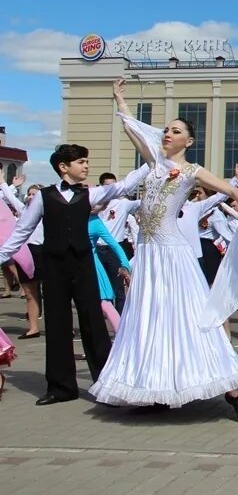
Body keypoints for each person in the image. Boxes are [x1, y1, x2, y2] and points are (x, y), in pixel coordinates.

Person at [89, 78, 238, 422]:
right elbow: (133, 130)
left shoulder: (191, 171)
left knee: (189, 317)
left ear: (190, 140)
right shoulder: (154, 163)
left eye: (175, 130)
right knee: (150, 320)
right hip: (149, 255)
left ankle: (233, 393)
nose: (167, 134)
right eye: (166, 130)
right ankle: (157, 388)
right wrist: (119, 99)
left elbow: (231, 191)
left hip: (173, 254)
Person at [0, 143, 149, 405]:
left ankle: (105, 383)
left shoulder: (89, 194)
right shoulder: (43, 197)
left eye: (86, 161)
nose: (86, 165)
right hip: (54, 267)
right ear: (63, 167)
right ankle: (61, 388)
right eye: (81, 161)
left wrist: (153, 159)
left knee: (93, 322)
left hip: (83, 265)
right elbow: (21, 232)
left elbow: (123, 186)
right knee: (57, 323)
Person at [0, 176, 42, 337]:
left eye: (35, 194)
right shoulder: (23, 210)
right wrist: (5, 182)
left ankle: (65, 327)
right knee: (30, 292)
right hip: (26, 252)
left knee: (54, 293)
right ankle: (33, 327)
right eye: (29, 194)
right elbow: (8, 197)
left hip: (45, 252)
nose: (31, 197)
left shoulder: (48, 212)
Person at [87, 204, 132, 334]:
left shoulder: (95, 222)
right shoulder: (74, 217)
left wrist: (124, 264)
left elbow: (114, 244)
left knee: (104, 303)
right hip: (72, 266)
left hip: (92, 267)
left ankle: (122, 336)